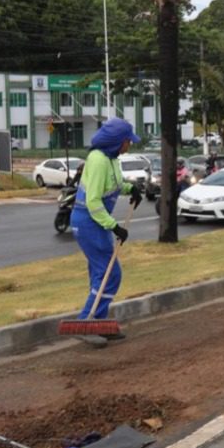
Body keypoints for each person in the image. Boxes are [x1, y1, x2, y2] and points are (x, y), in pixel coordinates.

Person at [71, 117, 142, 323]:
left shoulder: (111, 159)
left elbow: (112, 185)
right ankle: (87, 320)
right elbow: (93, 201)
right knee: (111, 275)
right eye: (128, 141)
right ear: (118, 141)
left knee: (101, 274)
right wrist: (114, 227)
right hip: (89, 222)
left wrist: (131, 189)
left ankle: (97, 321)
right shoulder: (99, 160)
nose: (130, 144)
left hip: (97, 223)